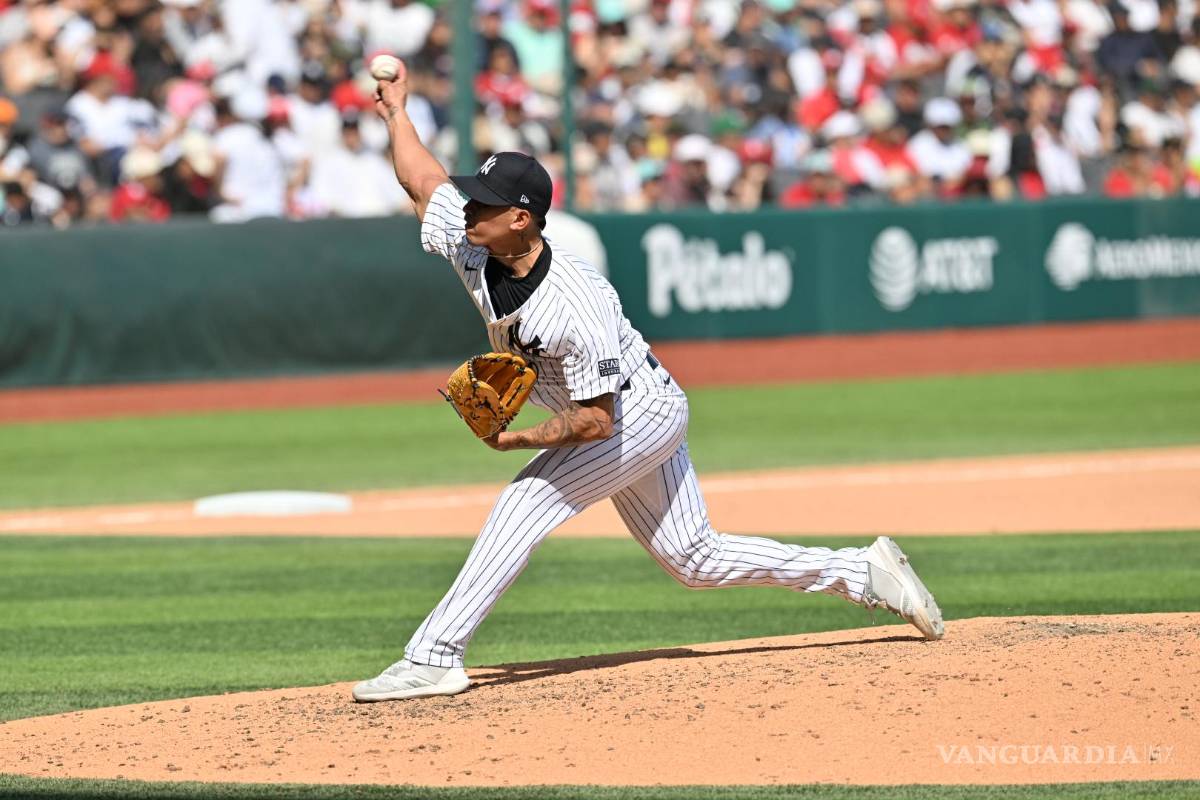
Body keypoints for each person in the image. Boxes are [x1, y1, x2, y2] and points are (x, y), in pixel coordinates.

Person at [352, 59, 946, 703]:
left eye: (485, 203)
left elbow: (595, 422)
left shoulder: (574, 304)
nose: (468, 207)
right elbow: (423, 180)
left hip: (635, 413)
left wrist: (515, 440)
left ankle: (435, 655)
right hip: (628, 407)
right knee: (695, 559)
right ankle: (862, 572)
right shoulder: (473, 241)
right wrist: (398, 113)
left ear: (520, 219)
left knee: (526, 503)